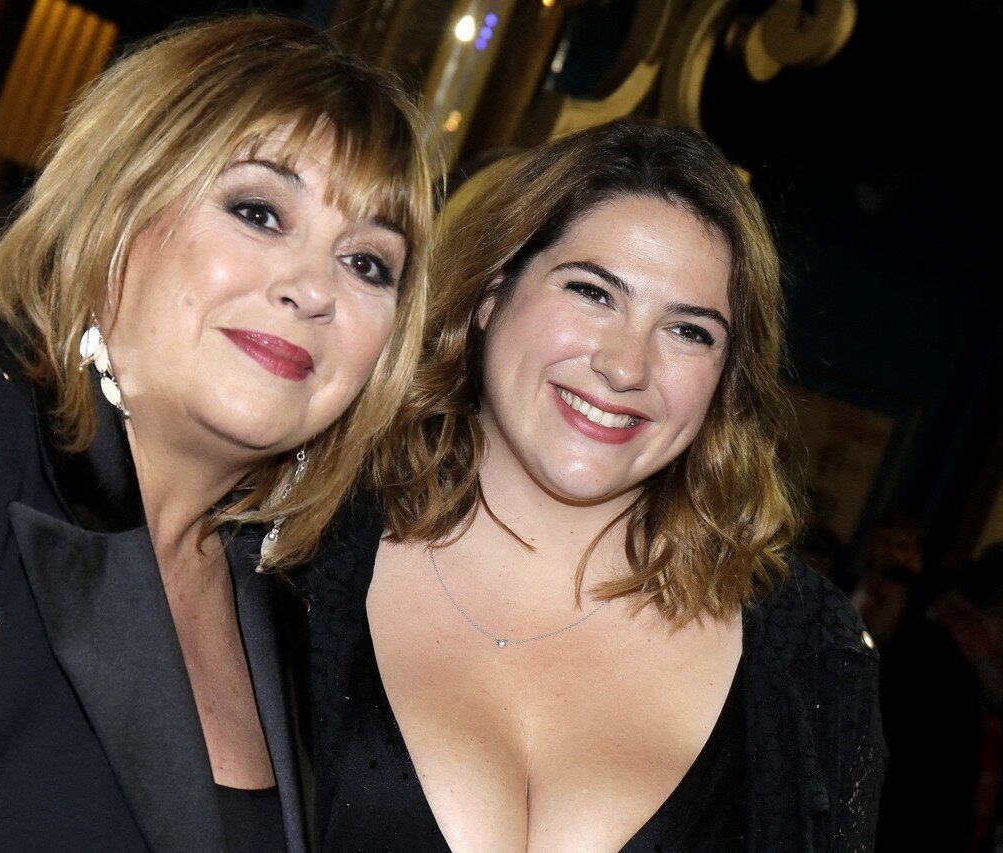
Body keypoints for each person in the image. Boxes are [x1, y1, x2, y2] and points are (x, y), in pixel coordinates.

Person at [0, 14, 434, 851]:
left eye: (367, 263)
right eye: (259, 211)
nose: (313, 289)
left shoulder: (298, 607)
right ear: (118, 202)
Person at [288, 118, 885, 850]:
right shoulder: (296, 540)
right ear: (492, 292)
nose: (626, 366)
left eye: (690, 331)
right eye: (593, 292)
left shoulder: (810, 653)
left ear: (726, 379)